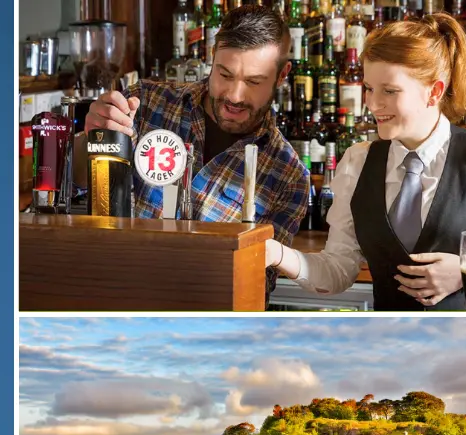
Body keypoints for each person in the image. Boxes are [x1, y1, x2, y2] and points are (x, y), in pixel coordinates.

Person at [263, 14, 466, 310]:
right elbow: (338, 270)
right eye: (369, 88)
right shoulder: (357, 163)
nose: (372, 104)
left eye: (390, 91)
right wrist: (276, 254)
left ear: (433, 92)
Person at [85, 4, 308, 290]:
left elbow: (255, 286)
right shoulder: (146, 103)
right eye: (225, 75)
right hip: (115, 296)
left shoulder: (289, 177)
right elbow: (81, 181)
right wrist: (94, 136)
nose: (234, 96)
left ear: (281, 75)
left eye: (254, 82)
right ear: (211, 57)